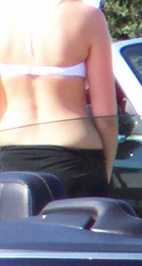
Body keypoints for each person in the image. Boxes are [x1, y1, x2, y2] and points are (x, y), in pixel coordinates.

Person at [0, 0, 116, 197]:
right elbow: (106, 118)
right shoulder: (87, 16)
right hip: (73, 159)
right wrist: (106, 168)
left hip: (9, 158)